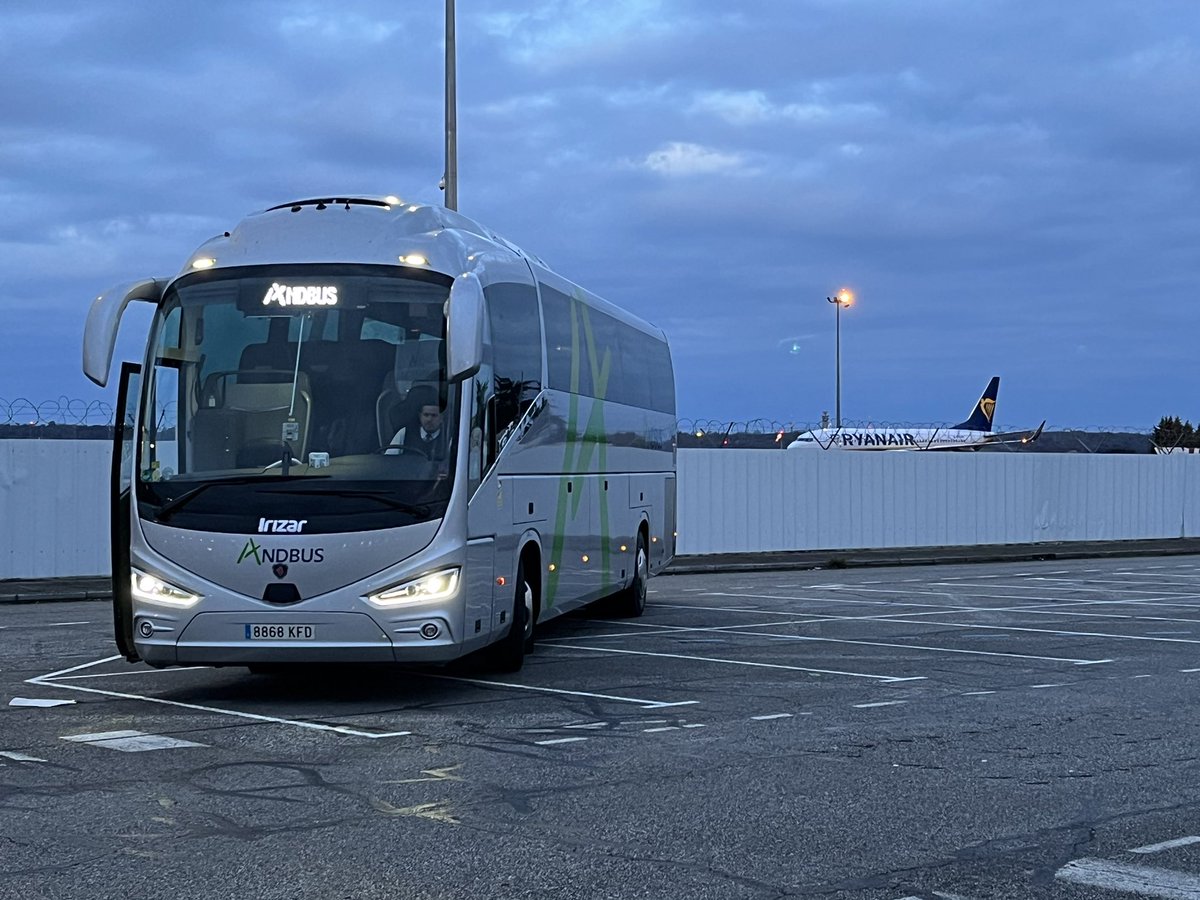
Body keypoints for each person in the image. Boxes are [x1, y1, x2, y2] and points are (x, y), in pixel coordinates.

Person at [386, 388, 448, 459]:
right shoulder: (404, 433)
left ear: (441, 418)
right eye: (426, 415)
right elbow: (389, 460)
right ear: (420, 416)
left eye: (434, 415)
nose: (429, 419)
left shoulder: (448, 437)